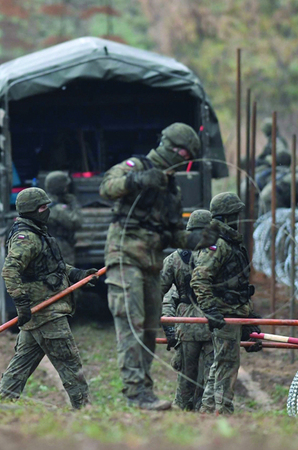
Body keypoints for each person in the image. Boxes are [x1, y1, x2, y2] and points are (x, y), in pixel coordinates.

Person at [99, 122, 211, 410]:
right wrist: (136, 180)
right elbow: (107, 188)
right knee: (131, 322)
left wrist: (197, 239)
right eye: (181, 152)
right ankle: (135, 391)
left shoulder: (172, 189)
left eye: (186, 155)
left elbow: (173, 234)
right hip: (125, 256)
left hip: (152, 263)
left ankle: (144, 391)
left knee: (149, 328)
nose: (182, 158)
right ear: (168, 146)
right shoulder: (136, 165)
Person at [0, 187, 97, 409]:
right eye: (42, 207)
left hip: (41, 315)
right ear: (31, 211)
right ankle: (85, 410)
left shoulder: (38, 233)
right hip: (46, 313)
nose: (47, 211)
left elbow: (52, 267)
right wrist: (21, 304)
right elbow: (9, 271)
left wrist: (77, 274)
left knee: (20, 366)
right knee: (70, 364)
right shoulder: (26, 238)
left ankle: (1, 406)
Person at [191, 192, 262, 415]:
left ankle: (209, 410)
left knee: (220, 363)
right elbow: (199, 278)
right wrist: (210, 309)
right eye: (234, 215)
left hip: (234, 312)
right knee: (227, 364)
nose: (238, 219)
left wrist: (250, 320)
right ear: (226, 217)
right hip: (224, 314)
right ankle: (222, 413)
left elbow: (239, 288)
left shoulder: (229, 241)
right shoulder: (218, 243)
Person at [160, 209, 214, 411]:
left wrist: (166, 325)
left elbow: (159, 291)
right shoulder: (218, 255)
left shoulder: (174, 258)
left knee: (185, 378)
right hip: (213, 322)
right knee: (212, 377)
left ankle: (182, 412)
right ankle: (207, 412)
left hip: (186, 323)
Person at [44, 171, 82, 265]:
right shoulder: (56, 208)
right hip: (59, 248)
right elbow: (76, 222)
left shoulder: (46, 202)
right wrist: (74, 203)